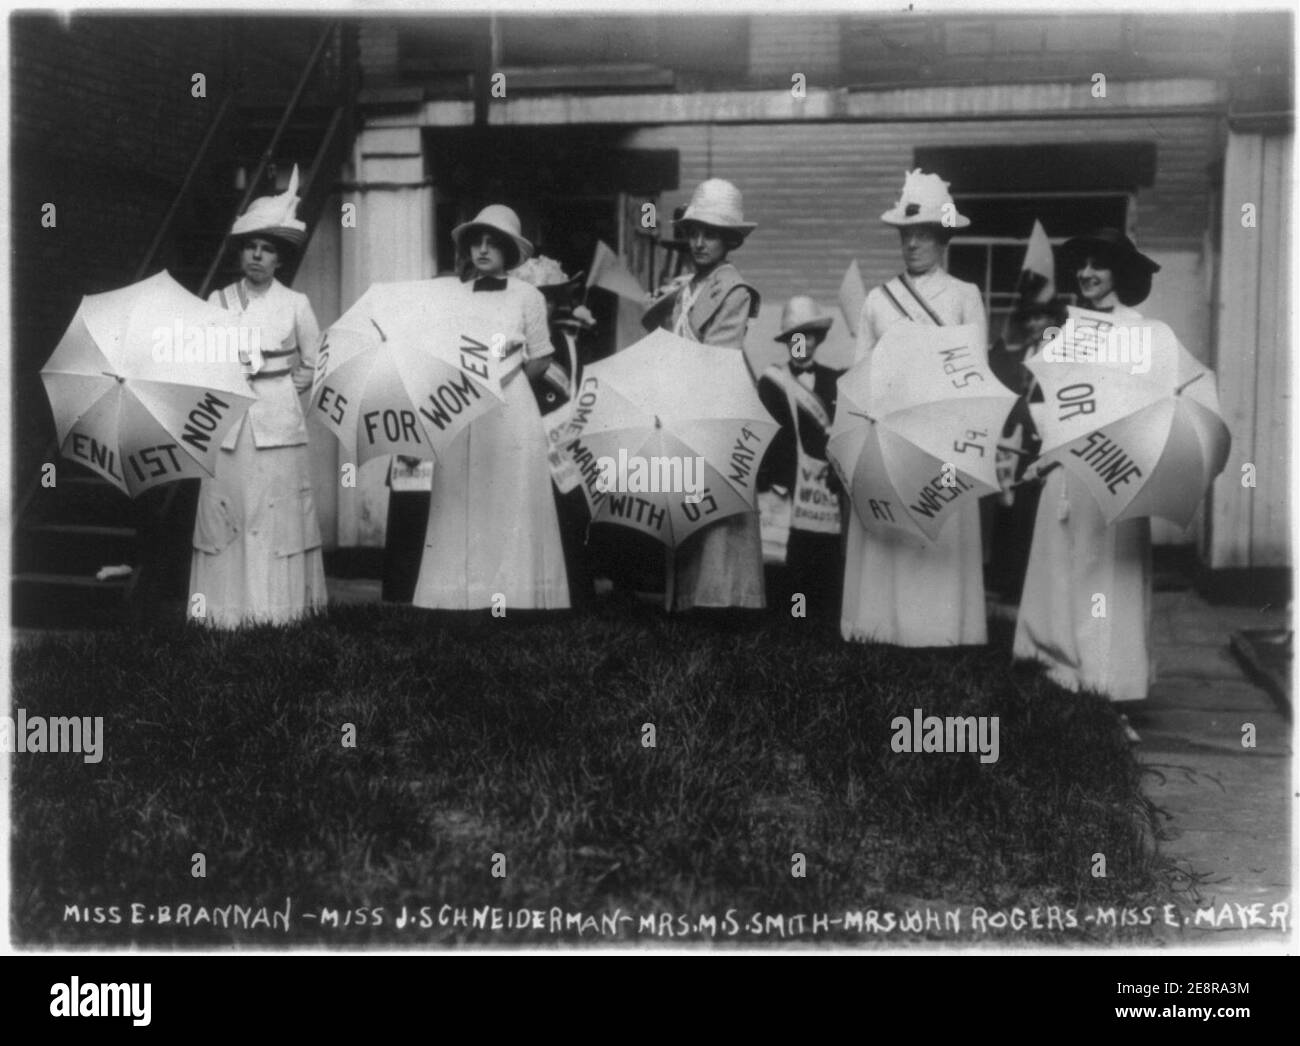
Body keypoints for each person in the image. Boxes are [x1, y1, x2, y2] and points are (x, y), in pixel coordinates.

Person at [1013, 228, 1162, 727]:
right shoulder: (1068, 330)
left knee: (1106, 578)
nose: (1086, 274)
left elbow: (1145, 404)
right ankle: (1063, 675)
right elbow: (1052, 401)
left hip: (1114, 470)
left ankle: (1108, 689)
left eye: (1098, 265)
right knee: (1063, 571)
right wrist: (1044, 453)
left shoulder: (1137, 330)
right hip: (1066, 471)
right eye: (1082, 265)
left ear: (1119, 271)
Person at [841, 169, 989, 647]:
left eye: (923, 234)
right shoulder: (877, 302)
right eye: (907, 235)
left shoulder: (965, 296)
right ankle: (882, 628)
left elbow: (975, 373)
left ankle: (941, 632)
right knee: (891, 537)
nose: (913, 245)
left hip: (944, 435)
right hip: (891, 434)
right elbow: (859, 374)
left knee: (938, 535)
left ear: (942, 237)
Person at [411, 205, 570, 612]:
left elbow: (540, 357)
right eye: (476, 243)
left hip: (512, 406)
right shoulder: (451, 295)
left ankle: (513, 597)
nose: (482, 251)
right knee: (464, 495)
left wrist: (509, 377)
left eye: (491, 243)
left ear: (508, 251)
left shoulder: (528, 297)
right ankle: (460, 597)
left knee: (511, 496)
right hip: (462, 407)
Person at [189, 166, 327, 629]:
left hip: (278, 422)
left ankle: (278, 613)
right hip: (229, 424)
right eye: (251, 246)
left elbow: (316, 358)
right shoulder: (217, 300)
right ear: (240, 252)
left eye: (267, 249)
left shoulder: (296, 304)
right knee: (228, 511)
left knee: (276, 514)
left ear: (279, 259)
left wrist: (294, 382)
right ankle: (226, 615)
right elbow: (201, 362)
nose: (257, 256)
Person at [643, 178, 765, 612]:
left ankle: (725, 600)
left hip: (718, 405)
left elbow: (720, 360)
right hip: (683, 401)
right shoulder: (684, 288)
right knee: (686, 500)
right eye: (693, 231)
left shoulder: (733, 290)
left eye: (710, 233)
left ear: (730, 239)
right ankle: (688, 600)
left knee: (718, 507)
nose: (698, 242)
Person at [756, 295, 845, 620]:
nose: (802, 344)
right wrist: (772, 479)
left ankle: (822, 619)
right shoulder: (772, 383)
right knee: (792, 558)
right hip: (787, 481)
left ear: (818, 339)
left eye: (808, 336)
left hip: (826, 484)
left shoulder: (833, 381)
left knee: (824, 553)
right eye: (795, 337)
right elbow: (766, 437)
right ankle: (796, 618)